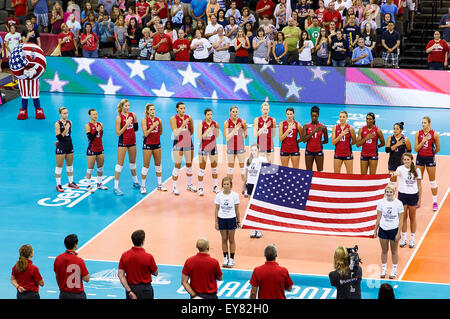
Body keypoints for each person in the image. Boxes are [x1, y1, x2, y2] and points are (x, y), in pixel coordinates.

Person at [373, 184, 404, 279]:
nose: (389, 194)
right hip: (383, 229)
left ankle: (394, 270)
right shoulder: (381, 203)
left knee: (394, 251)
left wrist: (399, 233)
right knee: (384, 251)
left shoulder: (398, 203)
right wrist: (375, 230)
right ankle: (384, 269)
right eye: (387, 192)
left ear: (394, 192)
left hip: (394, 230)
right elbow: (378, 217)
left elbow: (401, 219)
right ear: (385, 193)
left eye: (390, 192)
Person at [392, 153, 422, 250]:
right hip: (402, 195)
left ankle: (412, 238)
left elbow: (419, 186)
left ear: (411, 160)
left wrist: (419, 199)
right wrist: (392, 174)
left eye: (408, 159)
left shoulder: (417, 170)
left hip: (413, 196)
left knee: (412, 217)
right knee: (403, 218)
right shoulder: (400, 168)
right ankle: (404, 238)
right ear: (402, 160)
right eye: (404, 159)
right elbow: (396, 174)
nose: (406, 161)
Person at [118, 230, 158, 299]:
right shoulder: (149, 257)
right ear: (143, 241)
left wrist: (129, 291)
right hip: (146, 290)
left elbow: (120, 275)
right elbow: (155, 273)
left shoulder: (124, 255)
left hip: (131, 288)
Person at [114, 99, 140, 196]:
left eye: (128, 105)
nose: (127, 107)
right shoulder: (118, 118)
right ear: (122, 107)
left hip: (132, 141)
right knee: (119, 164)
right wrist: (126, 124)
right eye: (125, 106)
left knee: (133, 163)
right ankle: (116, 187)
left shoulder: (133, 115)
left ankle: (135, 182)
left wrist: (132, 123)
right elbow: (118, 133)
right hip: (123, 142)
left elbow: (136, 128)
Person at [414, 116, 440, 212]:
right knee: (418, 181)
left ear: (429, 123)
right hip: (420, 158)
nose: (423, 124)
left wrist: (430, 155)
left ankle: (435, 202)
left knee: (432, 181)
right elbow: (416, 149)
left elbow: (438, 148)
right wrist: (423, 141)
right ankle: (418, 201)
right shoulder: (418, 133)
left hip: (430, 159)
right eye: (422, 122)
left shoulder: (435, 134)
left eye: (425, 122)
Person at [170, 102, 196, 195]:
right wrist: (183, 125)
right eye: (181, 108)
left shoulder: (189, 118)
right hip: (178, 144)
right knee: (177, 166)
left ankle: (189, 185)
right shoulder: (173, 119)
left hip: (188, 143)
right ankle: (174, 187)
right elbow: (176, 133)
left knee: (189, 165)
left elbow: (191, 131)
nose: (183, 110)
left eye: (184, 108)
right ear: (177, 109)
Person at [214, 177, 241, 268]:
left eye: (227, 184)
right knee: (224, 239)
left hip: (231, 219)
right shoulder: (218, 195)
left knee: (231, 239)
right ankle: (225, 258)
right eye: (224, 184)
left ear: (231, 185)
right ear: (222, 185)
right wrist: (216, 221)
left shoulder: (235, 195)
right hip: (222, 219)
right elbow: (217, 209)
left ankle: (232, 259)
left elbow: (237, 209)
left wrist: (238, 221)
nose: (226, 186)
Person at [140, 103, 166, 194]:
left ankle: (159, 184)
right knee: (146, 165)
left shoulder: (159, 120)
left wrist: (156, 126)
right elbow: (146, 134)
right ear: (147, 111)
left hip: (157, 144)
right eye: (151, 110)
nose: (153, 111)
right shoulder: (144, 120)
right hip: (147, 145)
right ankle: (142, 186)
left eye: (154, 109)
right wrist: (153, 126)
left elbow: (161, 132)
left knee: (158, 165)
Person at [54, 234, 90, 299]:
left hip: (64, 294)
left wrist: (61, 287)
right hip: (78, 294)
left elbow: (57, 276)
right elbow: (86, 279)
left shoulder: (58, 258)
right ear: (75, 245)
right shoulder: (79, 261)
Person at [224, 106, 248, 195]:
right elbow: (227, 138)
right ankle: (228, 188)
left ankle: (245, 188)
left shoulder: (242, 122)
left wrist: (244, 134)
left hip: (240, 148)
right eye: (233, 112)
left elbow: (246, 134)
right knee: (230, 169)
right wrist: (235, 130)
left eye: (236, 112)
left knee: (242, 169)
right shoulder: (226, 123)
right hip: (230, 148)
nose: (235, 113)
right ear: (230, 112)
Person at [244, 144, 267, 238]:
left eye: (255, 150)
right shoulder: (247, 160)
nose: (253, 152)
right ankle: (253, 229)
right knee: (251, 207)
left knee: (258, 207)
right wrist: (244, 186)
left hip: (259, 185)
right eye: (252, 150)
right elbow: (246, 174)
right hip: (250, 185)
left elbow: (265, 174)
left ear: (258, 150)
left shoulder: (262, 159)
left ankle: (260, 229)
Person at [54, 107, 78, 192]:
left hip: (69, 145)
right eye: (64, 113)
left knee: (70, 165)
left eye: (67, 113)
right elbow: (60, 137)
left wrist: (67, 128)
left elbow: (68, 135)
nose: (66, 115)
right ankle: (58, 184)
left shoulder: (70, 122)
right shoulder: (57, 124)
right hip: (61, 146)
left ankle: (71, 182)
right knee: (59, 166)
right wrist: (66, 129)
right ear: (60, 114)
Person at [198, 108, 221, 196]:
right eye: (208, 115)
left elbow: (217, 135)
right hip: (203, 148)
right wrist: (208, 130)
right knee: (201, 169)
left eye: (211, 114)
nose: (210, 116)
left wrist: (215, 131)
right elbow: (200, 137)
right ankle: (200, 188)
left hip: (213, 148)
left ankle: (215, 186)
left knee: (214, 169)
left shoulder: (215, 124)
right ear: (205, 115)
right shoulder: (201, 124)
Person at [85, 109, 108, 193]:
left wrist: (98, 130)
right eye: (93, 114)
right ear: (90, 116)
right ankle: (88, 186)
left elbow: (101, 136)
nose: (95, 116)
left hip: (100, 148)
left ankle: (99, 184)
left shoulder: (100, 124)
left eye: (96, 114)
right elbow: (90, 138)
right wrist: (96, 131)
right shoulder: (88, 126)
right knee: (90, 169)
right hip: (92, 149)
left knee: (100, 168)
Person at [302, 106, 328, 172]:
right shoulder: (306, 126)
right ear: (310, 115)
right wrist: (313, 132)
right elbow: (304, 140)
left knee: (320, 172)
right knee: (308, 172)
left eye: (315, 116)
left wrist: (319, 142)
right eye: (312, 116)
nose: (314, 118)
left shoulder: (323, 127)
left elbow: (326, 140)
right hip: (309, 151)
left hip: (318, 151)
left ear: (318, 116)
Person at [386, 122, 411, 186]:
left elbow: (409, 151)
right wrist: (397, 144)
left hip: (401, 163)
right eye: (394, 129)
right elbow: (387, 150)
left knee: (403, 181)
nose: (395, 130)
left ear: (401, 130)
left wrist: (406, 160)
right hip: (392, 162)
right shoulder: (390, 138)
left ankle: (403, 195)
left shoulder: (405, 139)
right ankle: (392, 196)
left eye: (397, 129)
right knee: (392, 181)